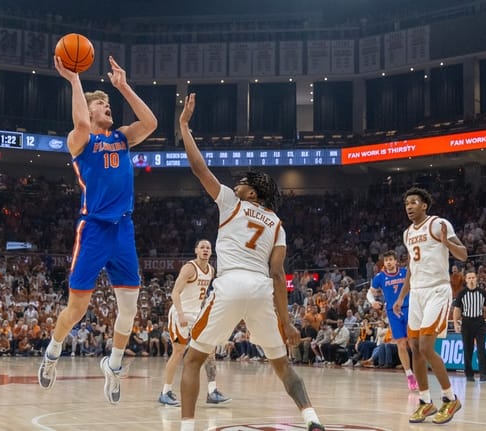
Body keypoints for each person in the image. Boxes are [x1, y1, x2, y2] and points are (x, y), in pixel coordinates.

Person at [177, 93, 325, 431]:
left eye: (242, 183)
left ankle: (186, 427)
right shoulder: (277, 224)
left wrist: (184, 126)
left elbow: (199, 168)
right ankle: (312, 418)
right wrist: (286, 322)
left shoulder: (231, 202)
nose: (237, 184)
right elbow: (278, 274)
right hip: (260, 289)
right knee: (282, 365)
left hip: (230, 284)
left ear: (253, 193)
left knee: (193, 359)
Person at [38, 54, 158, 406]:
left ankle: (114, 364)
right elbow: (79, 121)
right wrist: (75, 79)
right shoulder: (80, 141)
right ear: (90, 112)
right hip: (93, 229)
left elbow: (150, 122)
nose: (108, 107)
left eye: (108, 103)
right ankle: (53, 351)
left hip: (123, 229)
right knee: (76, 309)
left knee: (130, 309)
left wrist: (124, 87)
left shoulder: (122, 138)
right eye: (101, 104)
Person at [392, 187, 467, 424]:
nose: (409, 207)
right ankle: (425, 402)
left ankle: (450, 398)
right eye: (407, 203)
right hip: (416, 293)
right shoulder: (407, 233)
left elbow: (463, 254)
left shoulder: (438, 224)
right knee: (415, 347)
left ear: (424, 205)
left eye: (414, 202)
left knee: (425, 346)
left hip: (437, 290)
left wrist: (446, 243)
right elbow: (411, 268)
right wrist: (401, 297)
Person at [159, 239, 230, 407]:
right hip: (180, 313)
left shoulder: (211, 270)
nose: (205, 250)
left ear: (211, 252)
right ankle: (165, 392)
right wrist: (181, 314)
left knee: (210, 350)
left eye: (208, 248)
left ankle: (212, 392)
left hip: (197, 314)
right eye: (202, 247)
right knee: (178, 352)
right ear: (196, 250)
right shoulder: (189, 268)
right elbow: (175, 293)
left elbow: (200, 294)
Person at [364, 250, 418, 390]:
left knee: (413, 343)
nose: (388, 262)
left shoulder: (405, 272)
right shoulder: (380, 277)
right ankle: (409, 375)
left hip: (409, 308)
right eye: (386, 260)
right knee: (401, 343)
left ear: (396, 261)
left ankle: (418, 372)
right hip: (392, 312)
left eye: (390, 259)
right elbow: (370, 292)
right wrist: (373, 302)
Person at [453, 270, 486, 382]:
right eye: (469, 278)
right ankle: (469, 374)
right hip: (466, 322)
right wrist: (455, 324)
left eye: (473, 277)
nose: (471, 280)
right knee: (468, 349)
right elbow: (456, 310)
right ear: (466, 280)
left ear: (476, 279)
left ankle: (484, 373)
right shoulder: (462, 293)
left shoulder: (482, 292)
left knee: (481, 348)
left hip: (479, 322)